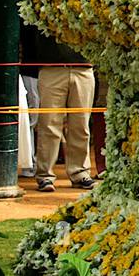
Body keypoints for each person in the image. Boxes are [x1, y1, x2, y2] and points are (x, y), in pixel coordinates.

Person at [20, 22, 94, 193]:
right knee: (49, 124)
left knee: (81, 125)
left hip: (83, 68)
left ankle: (80, 172)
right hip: (51, 68)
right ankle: (45, 175)